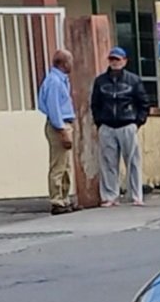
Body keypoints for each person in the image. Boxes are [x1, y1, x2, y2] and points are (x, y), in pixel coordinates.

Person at [90, 46, 151, 206]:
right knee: (108, 163)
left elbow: (143, 102)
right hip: (107, 126)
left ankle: (136, 196)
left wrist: (137, 122)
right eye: (112, 59)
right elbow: (95, 104)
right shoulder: (100, 81)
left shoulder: (133, 80)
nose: (114, 62)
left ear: (124, 61)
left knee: (133, 162)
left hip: (128, 124)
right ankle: (110, 196)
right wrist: (99, 122)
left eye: (117, 59)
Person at [34, 49, 77, 215]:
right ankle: (56, 200)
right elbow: (54, 108)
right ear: (63, 63)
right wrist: (62, 130)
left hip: (65, 123)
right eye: (70, 61)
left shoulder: (61, 80)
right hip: (59, 125)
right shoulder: (54, 81)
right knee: (58, 165)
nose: (72, 65)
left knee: (66, 165)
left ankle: (65, 198)